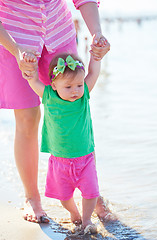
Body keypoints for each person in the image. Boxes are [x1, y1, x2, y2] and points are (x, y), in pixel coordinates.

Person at [0, 0, 110, 223]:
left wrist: (97, 33)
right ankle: (32, 197)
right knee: (28, 117)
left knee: (76, 109)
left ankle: (92, 192)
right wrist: (16, 49)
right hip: (13, 37)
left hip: (58, 31)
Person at [23, 51, 101, 234]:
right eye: (68, 87)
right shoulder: (48, 95)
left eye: (79, 85)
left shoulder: (84, 96)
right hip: (60, 161)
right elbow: (33, 81)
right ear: (54, 85)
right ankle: (74, 213)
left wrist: (96, 58)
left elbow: (93, 73)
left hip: (85, 158)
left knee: (91, 193)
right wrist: (30, 68)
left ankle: (87, 219)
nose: (75, 90)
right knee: (64, 197)